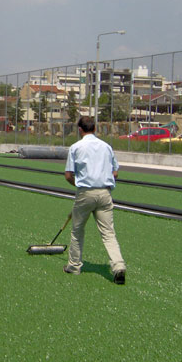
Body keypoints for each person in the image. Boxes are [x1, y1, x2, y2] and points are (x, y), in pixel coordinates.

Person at [63, 116, 126, 284]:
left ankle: (74, 266)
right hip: (105, 194)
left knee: (77, 231)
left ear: (80, 130)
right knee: (108, 233)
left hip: (85, 193)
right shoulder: (107, 147)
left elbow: (68, 175)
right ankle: (118, 266)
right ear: (95, 129)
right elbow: (115, 173)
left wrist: (80, 185)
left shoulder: (76, 147)